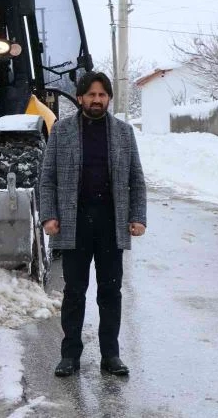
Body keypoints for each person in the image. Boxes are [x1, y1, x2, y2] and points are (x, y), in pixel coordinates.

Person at [39, 71, 147, 377]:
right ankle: (70, 355)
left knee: (110, 293)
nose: (96, 100)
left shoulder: (124, 133)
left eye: (102, 95)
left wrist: (137, 217)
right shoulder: (61, 131)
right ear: (81, 98)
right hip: (74, 224)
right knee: (74, 291)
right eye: (91, 95)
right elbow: (46, 181)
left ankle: (110, 356)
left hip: (111, 224)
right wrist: (49, 215)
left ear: (108, 98)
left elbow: (137, 181)